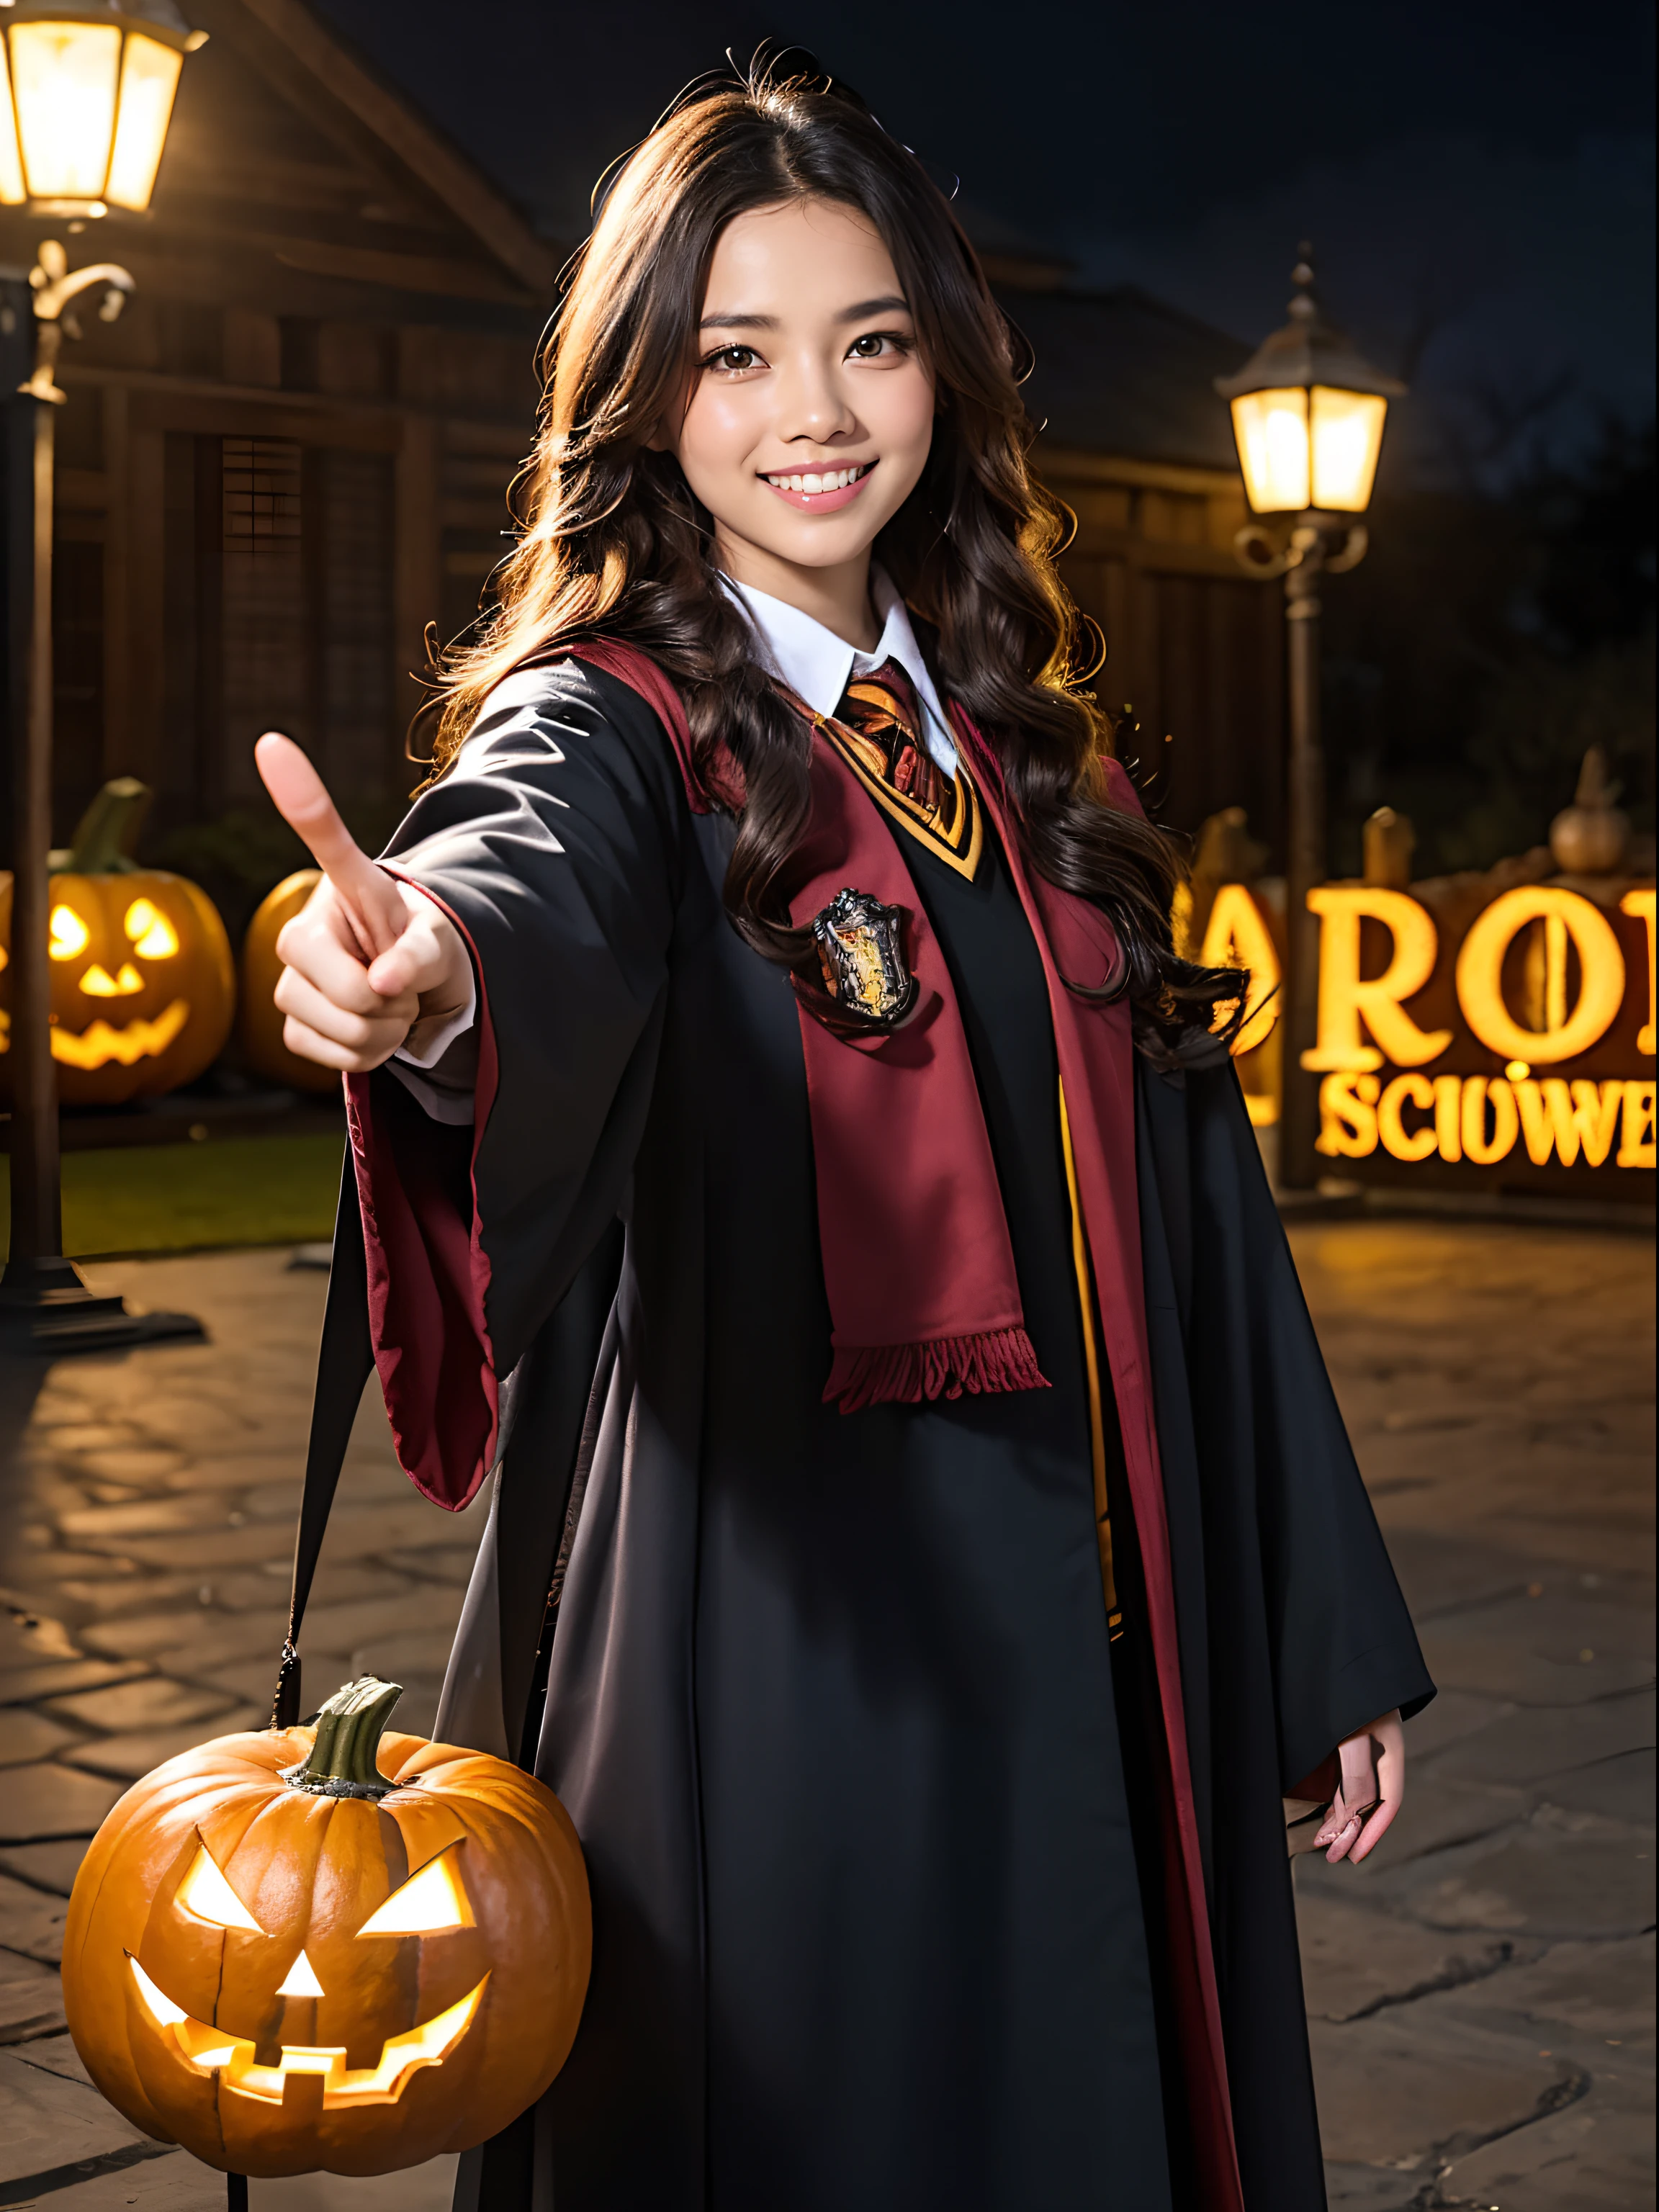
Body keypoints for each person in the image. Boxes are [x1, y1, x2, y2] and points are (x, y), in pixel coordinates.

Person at [257, 58, 1433, 2212]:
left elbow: (1204, 1227)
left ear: (942, 375)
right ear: (650, 401)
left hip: (1097, 1629)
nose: (818, 409)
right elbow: (514, 882)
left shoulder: (1025, 767)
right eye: (736, 353)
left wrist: (1313, 1632)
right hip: (787, 1636)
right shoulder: (613, 726)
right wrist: (423, 971)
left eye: (871, 341)